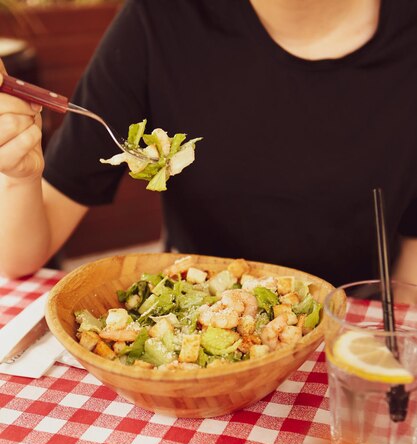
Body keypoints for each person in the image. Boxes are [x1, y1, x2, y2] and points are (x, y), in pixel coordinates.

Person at [0, 0, 417, 288]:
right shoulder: (159, 20)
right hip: (198, 317)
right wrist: (19, 175)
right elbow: (18, 257)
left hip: (355, 320)